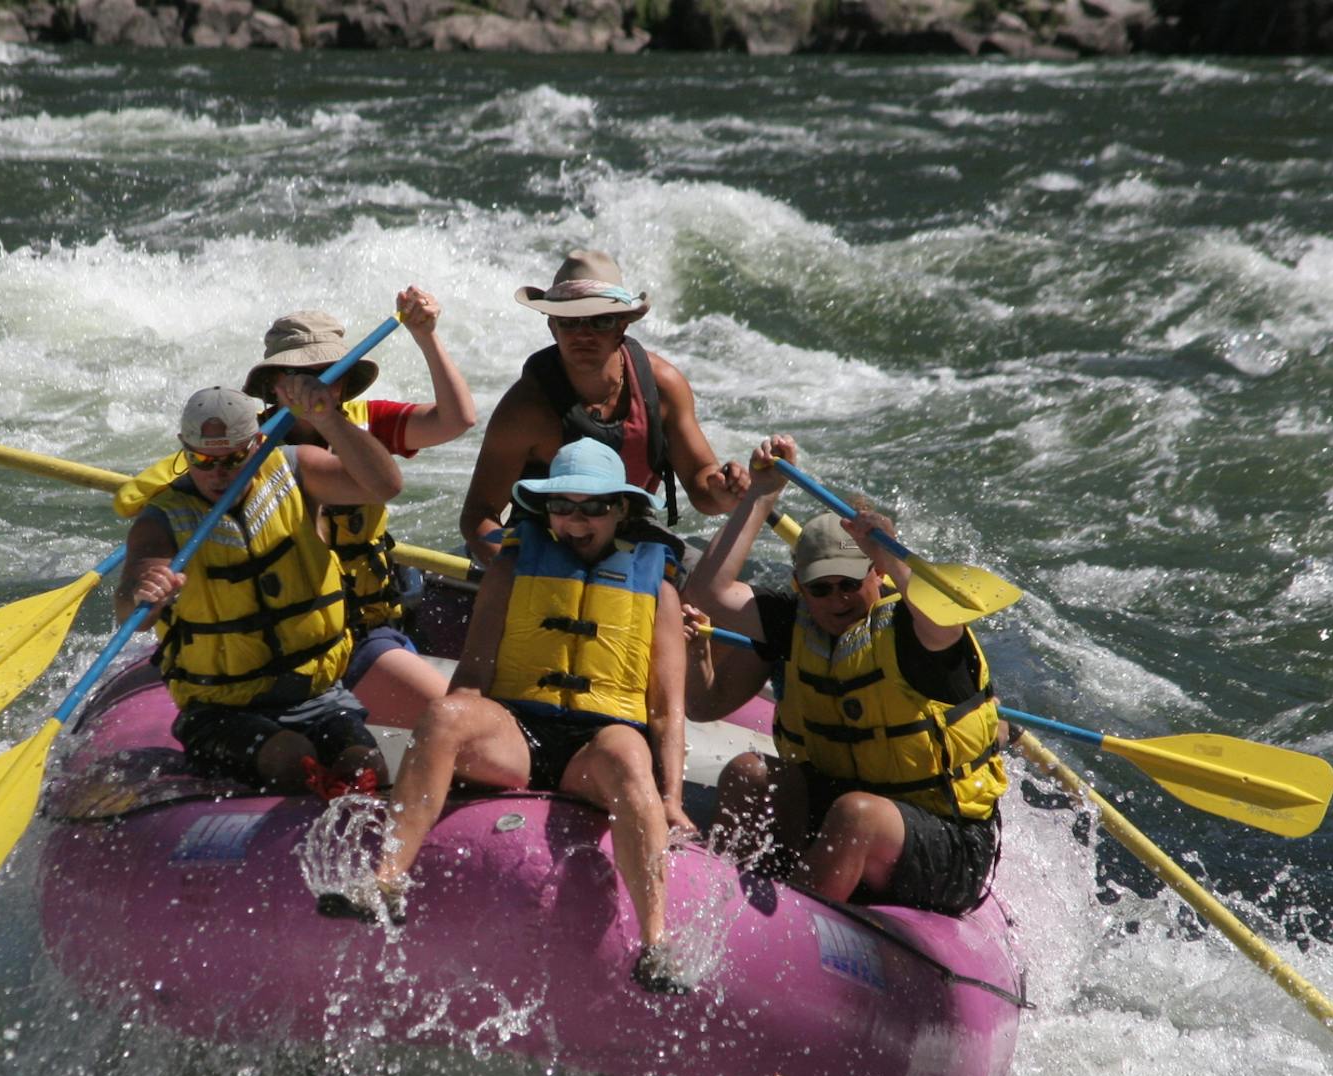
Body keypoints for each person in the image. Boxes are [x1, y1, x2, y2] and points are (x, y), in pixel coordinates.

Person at [324, 438, 695, 985]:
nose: (575, 520)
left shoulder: (657, 590)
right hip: (518, 733)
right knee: (447, 713)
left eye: (593, 507)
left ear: (620, 509)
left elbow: (667, 710)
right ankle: (385, 880)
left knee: (629, 754)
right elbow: (473, 676)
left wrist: (673, 801)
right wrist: (449, 747)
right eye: (562, 506)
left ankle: (656, 944)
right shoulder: (512, 568)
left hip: (598, 747)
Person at [682, 434, 1008, 930]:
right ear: (800, 587)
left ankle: (784, 935)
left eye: (850, 584)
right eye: (821, 587)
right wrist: (762, 494)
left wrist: (892, 551)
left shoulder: (914, 632)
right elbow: (707, 593)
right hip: (837, 807)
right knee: (750, 774)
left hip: (946, 838)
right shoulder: (792, 621)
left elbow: (947, 620)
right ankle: (717, 907)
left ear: (877, 577)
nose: (836, 599)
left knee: (856, 815)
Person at [114, 381, 404, 796]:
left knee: (365, 765)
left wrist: (327, 420)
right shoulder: (161, 520)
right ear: (184, 447)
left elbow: (384, 486)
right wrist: (145, 591)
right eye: (201, 459)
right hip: (220, 711)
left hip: (318, 696)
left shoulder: (296, 470)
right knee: (291, 756)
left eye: (233, 459)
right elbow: (132, 612)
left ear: (258, 443)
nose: (217, 473)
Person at [242, 289, 476, 730]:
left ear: (345, 383)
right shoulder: (243, 450)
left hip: (364, 631)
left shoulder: (366, 424)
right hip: (285, 639)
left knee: (461, 723)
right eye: (299, 374)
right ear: (274, 385)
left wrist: (425, 337)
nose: (314, 385)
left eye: (326, 373)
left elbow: (457, 419)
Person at [457, 248, 749, 568]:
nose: (584, 334)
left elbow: (701, 486)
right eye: (570, 321)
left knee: (706, 590)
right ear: (552, 326)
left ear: (622, 325)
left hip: (630, 529)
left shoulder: (663, 387)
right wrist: (514, 571)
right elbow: (478, 516)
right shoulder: (526, 409)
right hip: (545, 536)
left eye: (600, 321)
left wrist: (722, 491)